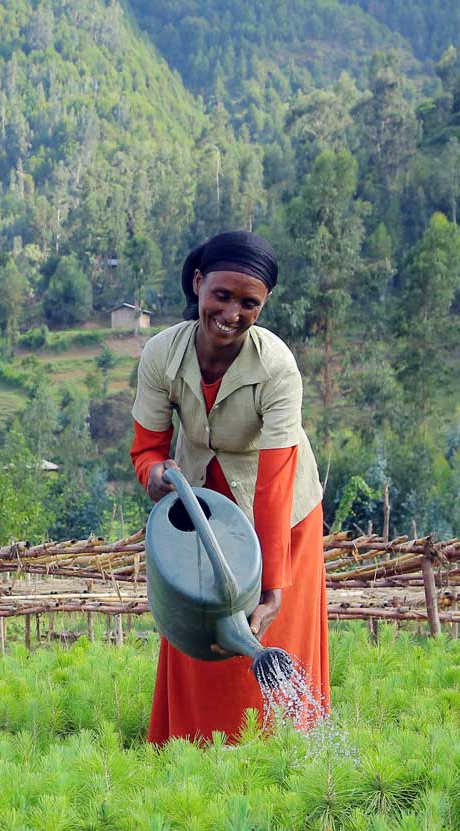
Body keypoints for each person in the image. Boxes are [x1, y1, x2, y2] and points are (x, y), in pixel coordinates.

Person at [129, 230, 329, 744]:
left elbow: (274, 481)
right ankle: (194, 753)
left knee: (269, 630)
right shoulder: (162, 355)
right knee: (200, 633)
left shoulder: (276, 367)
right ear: (198, 284)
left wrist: (270, 587)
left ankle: (281, 756)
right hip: (201, 510)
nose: (232, 313)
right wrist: (154, 474)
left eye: (249, 303)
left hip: (281, 516)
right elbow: (147, 445)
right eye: (221, 295)